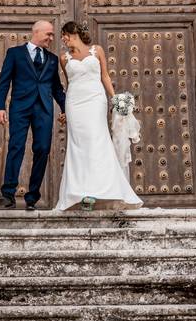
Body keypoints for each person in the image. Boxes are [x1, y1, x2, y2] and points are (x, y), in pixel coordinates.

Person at [54, 21, 143, 211]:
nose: (63, 39)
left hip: (95, 100)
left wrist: (116, 100)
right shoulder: (64, 58)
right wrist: (65, 111)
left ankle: (101, 188)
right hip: (74, 103)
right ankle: (81, 192)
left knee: (97, 140)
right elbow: (69, 84)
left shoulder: (97, 50)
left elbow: (105, 76)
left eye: (65, 35)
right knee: (77, 145)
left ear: (74, 33)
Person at [0, 20, 66, 210]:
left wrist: (66, 109)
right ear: (36, 32)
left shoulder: (52, 58)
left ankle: (32, 197)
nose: (51, 38)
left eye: (52, 35)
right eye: (49, 34)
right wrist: (0, 107)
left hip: (44, 109)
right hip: (20, 107)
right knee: (16, 147)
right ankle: (8, 193)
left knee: (42, 149)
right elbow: (4, 82)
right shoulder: (14, 53)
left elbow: (57, 88)